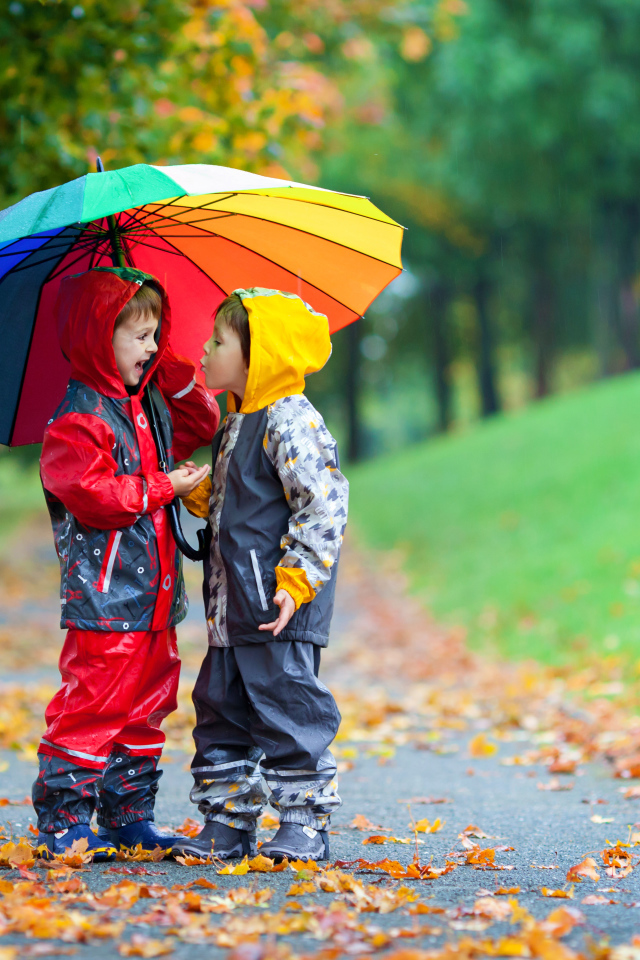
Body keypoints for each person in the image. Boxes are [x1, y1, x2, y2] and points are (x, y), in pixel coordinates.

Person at [34, 266, 218, 861]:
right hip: (106, 597)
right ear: (97, 336)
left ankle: (127, 814)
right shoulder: (77, 418)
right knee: (95, 704)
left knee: (150, 704)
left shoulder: (149, 401)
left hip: (156, 594)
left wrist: (164, 366)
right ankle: (65, 819)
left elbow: (202, 422)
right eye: (139, 335)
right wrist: (161, 486)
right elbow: (93, 496)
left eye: (156, 333)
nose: (152, 345)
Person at [176, 287, 349, 863]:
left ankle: (303, 824)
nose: (205, 349)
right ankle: (228, 823)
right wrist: (199, 492)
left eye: (218, 341)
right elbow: (244, 503)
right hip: (232, 611)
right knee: (220, 712)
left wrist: (295, 582)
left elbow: (322, 505)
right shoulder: (239, 421)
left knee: (288, 712)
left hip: (278, 608)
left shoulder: (290, 419)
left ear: (259, 356)